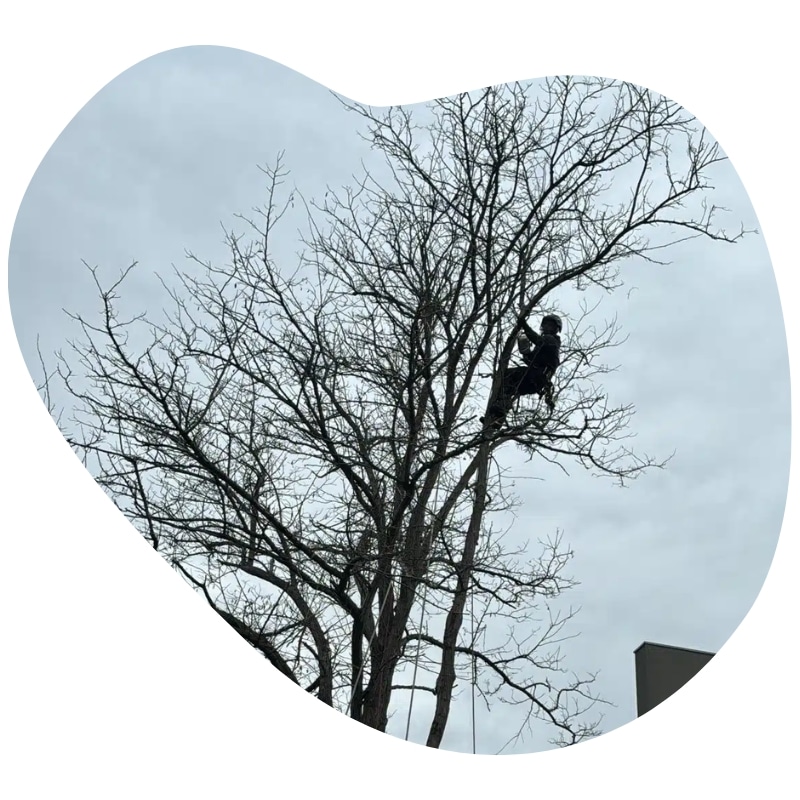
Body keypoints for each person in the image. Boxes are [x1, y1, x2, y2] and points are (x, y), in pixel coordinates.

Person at [481, 314, 562, 430]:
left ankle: (498, 411)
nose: (546, 327)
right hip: (534, 380)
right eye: (545, 324)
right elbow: (534, 360)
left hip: (537, 378)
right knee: (508, 388)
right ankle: (496, 420)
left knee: (507, 375)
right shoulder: (543, 346)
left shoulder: (551, 341)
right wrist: (526, 353)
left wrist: (523, 324)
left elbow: (537, 340)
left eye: (550, 325)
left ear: (556, 328)